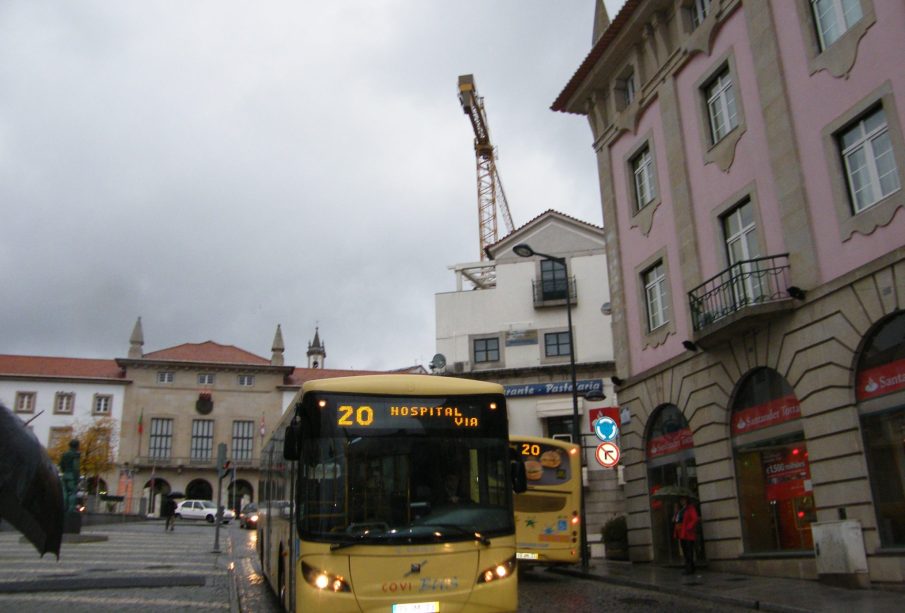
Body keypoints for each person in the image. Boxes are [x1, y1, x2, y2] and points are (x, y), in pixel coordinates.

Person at [673, 496, 700, 575]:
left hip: (688, 534)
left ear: (687, 500)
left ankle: (689, 568)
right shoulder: (680, 510)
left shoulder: (690, 509)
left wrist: (689, 527)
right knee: (685, 551)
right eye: (681, 500)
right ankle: (690, 566)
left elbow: (695, 519)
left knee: (689, 551)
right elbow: (677, 520)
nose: (682, 501)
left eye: (684, 500)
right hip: (681, 533)